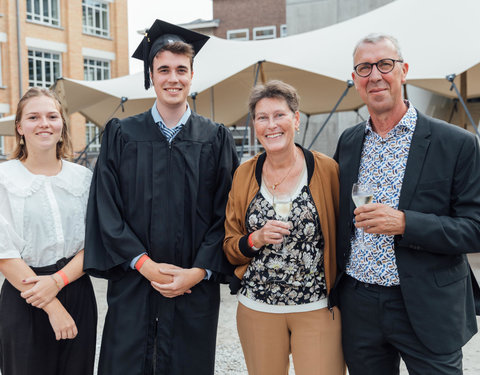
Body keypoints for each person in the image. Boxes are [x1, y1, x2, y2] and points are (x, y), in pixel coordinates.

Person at [83, 19, 238, 375]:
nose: (173, 78)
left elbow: (227, 214)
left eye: (181, 69)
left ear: (192, 75)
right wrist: (143, 263)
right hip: (135, 282)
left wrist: (198, 272)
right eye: (164, 69)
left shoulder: (214, 138)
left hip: (192, 288)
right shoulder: (122, 134)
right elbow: (106, 208)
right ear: (150, 75)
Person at [333, 33, 480, 375]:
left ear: (404, 71)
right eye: (364, 67)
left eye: (385, 64)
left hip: (427, 305)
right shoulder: (350, 141)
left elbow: (475, 228)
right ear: (355, 80)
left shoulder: (457, 143)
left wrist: (405, 223)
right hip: (360, 304)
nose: (375, 75)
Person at [223, 80, 345, 375]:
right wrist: (256, 238)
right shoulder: (243, 174)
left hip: (316, 308)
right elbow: (229, 245)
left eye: (279, 115)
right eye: (262, 117)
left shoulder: (327, 169)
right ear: (254, 125)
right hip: (258, 309)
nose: (271, 125)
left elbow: (344, 234)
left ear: (296, 119)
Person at [0, 87, 97, 375]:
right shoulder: (4, 178)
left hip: (76, 289)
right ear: (20, 127)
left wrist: (57, 281)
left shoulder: (83, 178)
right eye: (33, 117)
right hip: (23, 293)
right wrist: (52, 306)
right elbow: (4, 253)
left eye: (52, 116)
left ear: (62, 124)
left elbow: (95, 241)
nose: (44, 123)